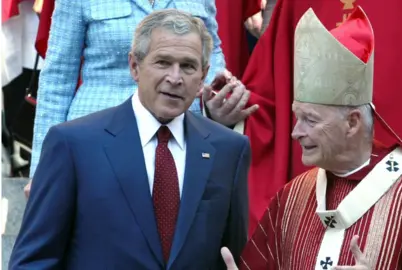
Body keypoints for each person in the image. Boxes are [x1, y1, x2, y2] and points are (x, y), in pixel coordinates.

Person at [220, 7, 402, 269]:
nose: (295, 132)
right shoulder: (292, 198)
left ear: (352, 123)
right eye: (297, 117)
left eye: (311, 120)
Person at [9, 10, 250, 269]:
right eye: (163, 62)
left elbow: (231, 254)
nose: (175, 78)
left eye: (188, 66)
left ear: (202, 76)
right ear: (134, 66)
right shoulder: (73, 146)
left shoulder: (228, 150)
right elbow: (34, 261)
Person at [24, 0, 258, 197]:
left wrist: (216, 100)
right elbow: (57, 77)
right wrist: (42, 170)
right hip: (96, 147)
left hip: (179, 143)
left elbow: (211, 51)